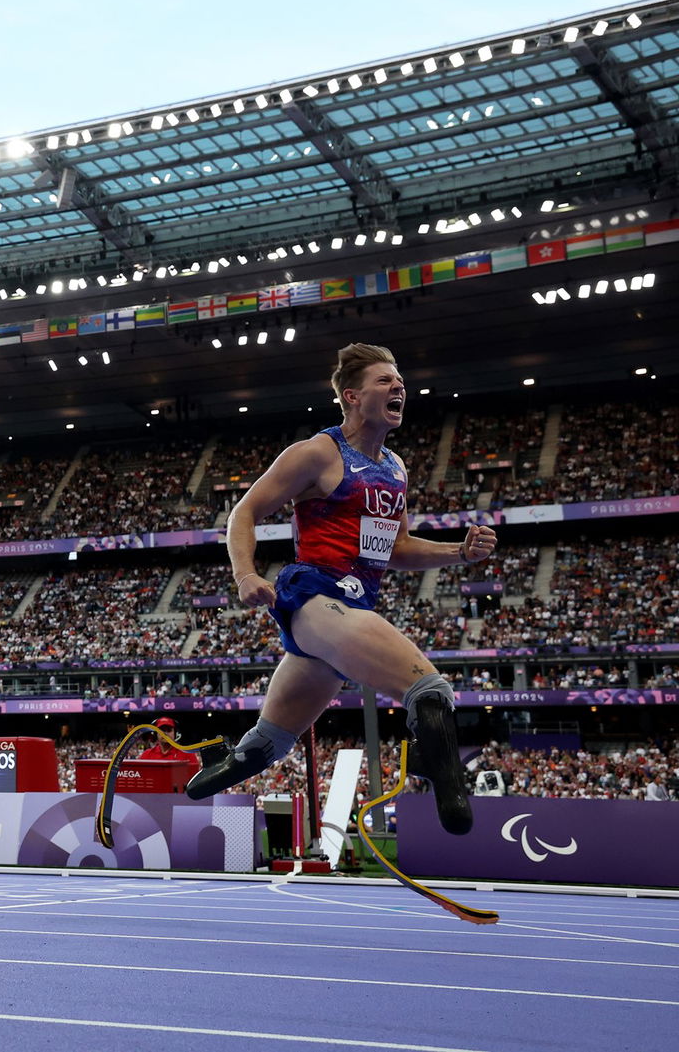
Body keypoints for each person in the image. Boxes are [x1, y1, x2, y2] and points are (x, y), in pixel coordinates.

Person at [188, 343, 497, 836]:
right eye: (384, 381)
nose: (399, 387)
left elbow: (395, 547)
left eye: (400, 381)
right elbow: (244, 512)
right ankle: (436, 772)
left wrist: (458, 553)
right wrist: (246, 574)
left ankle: (201, 775)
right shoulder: (317, 453)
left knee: (266, 745)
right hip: (313, 598)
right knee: (430, 691)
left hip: (346, 617)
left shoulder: (396, 468)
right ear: (352, 396)